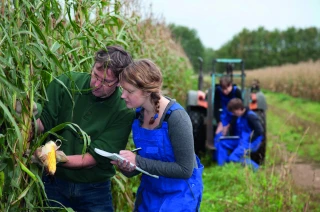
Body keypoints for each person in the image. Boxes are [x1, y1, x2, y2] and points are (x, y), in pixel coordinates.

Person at [34, 45, 135, 211]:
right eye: (95, 74)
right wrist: (26, 112)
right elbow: (44, 123)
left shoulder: (123, 110)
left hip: (94, 190)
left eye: (106, 82)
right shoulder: (66, 82)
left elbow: (91, 159)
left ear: (119, 82)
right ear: (93, 65)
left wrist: (56, 158)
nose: (96, 84)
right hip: (54, 182)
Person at [112, 59, 203, 212]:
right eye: (123, 89)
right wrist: (127, 167)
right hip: (150, 193)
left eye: (129, 91)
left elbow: (185, 170)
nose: (123, 95)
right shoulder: (138, 116)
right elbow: (145, 164)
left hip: (179, 195)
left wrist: (138, 161)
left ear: (147, 91)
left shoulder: (176, 118)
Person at [215, 98, 264, 171]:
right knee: (221, 142)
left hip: (252, 142)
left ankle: (257, 169)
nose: (233, 114)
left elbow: (260, 130)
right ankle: (223, 167)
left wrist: (250, 139)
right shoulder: (240, 115)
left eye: (234, 112)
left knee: (233, 157)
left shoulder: (251, 116)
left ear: (239, 109)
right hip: (242, 139)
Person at [213, 75, 242, 140]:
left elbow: (240, 111)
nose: (224, 91)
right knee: (219, 134)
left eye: (226, 88)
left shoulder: (237, 92)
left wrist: (229, 125)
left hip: (236, 115)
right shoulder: (218, 91)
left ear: (231, 85)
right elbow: (216, 107)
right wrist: (219, 122)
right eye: (223, 89)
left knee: (238, 131)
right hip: (224, 114)